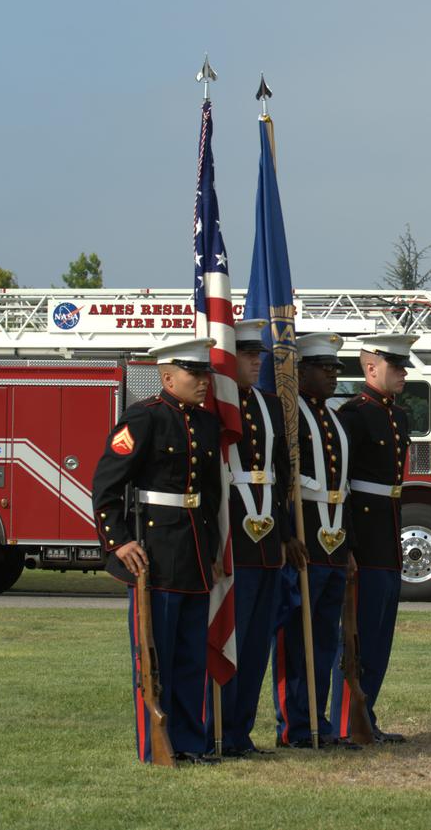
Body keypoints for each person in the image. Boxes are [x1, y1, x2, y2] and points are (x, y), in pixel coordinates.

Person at [90, 336, 223, 766]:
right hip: (156, 554)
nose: (204, 381)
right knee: (155, 657)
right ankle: (156, 746)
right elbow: (106, 486)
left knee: (189, 659)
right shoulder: (143, 418)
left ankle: (190, 743)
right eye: (194, 373)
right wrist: (119, 541)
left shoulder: (206, 424)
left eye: (206, 373)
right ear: (167, 377)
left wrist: (215, 549)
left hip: (195, 553)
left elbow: (211, 494)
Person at [203, 319, 305, 757]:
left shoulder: (267, 404)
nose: (255, 361)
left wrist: (284, 534)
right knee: (230, 636)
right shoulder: (214, 406)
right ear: (227, 359)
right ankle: (216, 730)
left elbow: (280, 476)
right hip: (233, 537)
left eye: (258, 354)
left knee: (257, 642)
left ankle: (240, 732)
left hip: (264, 541)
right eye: (247, 354)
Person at [331, 333, 417, 744]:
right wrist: (346, 542)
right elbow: (341, 484)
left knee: (380, 636)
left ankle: (367, 719)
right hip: (363, 537)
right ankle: (346, 722)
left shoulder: (398, 416)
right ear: (370, 368)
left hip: (387, 533)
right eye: (395, 366)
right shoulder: (353, 414)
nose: (403, 372)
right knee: (357, 636)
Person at [271, 332, 355, 750]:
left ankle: (315, 721)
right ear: (300, 372)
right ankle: (293, 727)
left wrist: (348, 548)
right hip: (304, 535)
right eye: (325, 369)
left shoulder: (332, 417)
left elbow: (342, 485)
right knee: (295, 638)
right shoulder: (289, 417)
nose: (333, 376)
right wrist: (286, 533)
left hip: (334, 540)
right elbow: (283, 482)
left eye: (335, 369)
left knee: (323, 639)